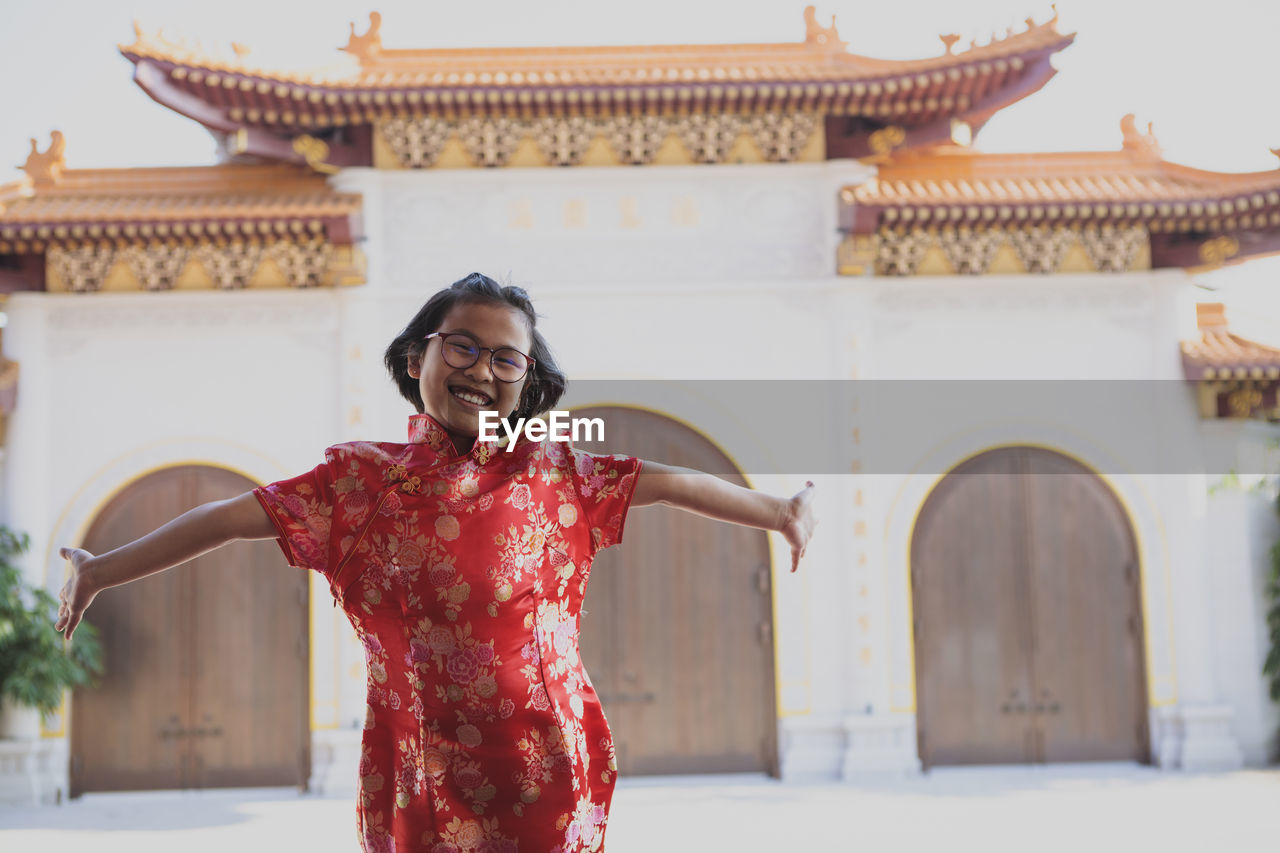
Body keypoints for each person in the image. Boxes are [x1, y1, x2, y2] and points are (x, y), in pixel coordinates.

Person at [54, 272, 816, 853]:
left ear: (526, 381)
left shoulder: (555, 473)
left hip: (546, 764)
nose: (482, 369)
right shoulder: (352, 485)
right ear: (420, 353)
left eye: (505, 358)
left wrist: (779, 512)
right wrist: (100, 568)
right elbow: (221, 519)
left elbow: (673, 482)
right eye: (463, 346)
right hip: (414, 770)